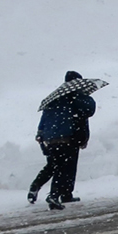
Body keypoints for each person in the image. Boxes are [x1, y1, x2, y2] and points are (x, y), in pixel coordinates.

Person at [29, 70, 100, 211]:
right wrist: (83, 96)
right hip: (68, 138)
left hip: (51, 139)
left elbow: (44, 119)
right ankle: (55, 196)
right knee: (66, 168)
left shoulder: (54, 98)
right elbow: (89, 109)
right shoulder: (75, 97)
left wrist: (40, 133)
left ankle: (42, 189)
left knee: (54, 166)